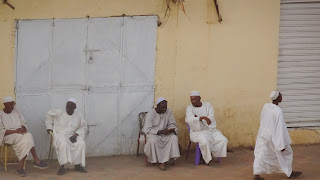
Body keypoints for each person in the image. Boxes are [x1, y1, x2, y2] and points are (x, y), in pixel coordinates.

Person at [253, 91, 302, 180]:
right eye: (280, 95)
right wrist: (281, 144)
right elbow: (279, 128)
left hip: (263, 134)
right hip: (273, 136)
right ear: (278, 98)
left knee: (261, 153)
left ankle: (257, 175)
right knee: (287, 152)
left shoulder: (266, 106)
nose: (282, 96)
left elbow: (262, 119)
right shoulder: (278, 111)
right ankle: (289, 172)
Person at [0, 96, 48, 177]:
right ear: (5, 104)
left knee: (28, 138)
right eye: (11, 104)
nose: (13, 106)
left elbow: (24, 122)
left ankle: (21, 167)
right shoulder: (0, 114)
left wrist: (22, 128)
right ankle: (35, 160)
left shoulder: (16, 111)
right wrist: (16, 131)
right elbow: (1, 131)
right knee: (28, 138)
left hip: (21, 134)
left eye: (13, 104)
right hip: (9, 136)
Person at [45, 98, 87, 175]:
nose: (68, 109)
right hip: (60, 135)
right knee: (63, 143)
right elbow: (48, 115)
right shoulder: (59, 112)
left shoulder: (78, 116)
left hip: (72, 136)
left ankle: (77, 165)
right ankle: (62, 166)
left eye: (70, 107)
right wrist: (49, 127)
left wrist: (76, 134)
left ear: (75, 108)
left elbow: (83, 127)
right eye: (67, 107)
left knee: (81, 143)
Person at [185, 91, 228, 165]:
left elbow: (211, 118)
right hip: (197, 131)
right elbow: (189, 119)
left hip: (210, 129)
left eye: (194, 99)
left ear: (199, 99)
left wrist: (198, 118)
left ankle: (213, 154)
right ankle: (207, 160)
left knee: (223, 140)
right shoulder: (189, 108)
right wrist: (202, 118)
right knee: (205, 141)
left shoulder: (208, 105)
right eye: (191, 100)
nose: (192, 102)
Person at [142, 97, 180, 170]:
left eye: (165, 107)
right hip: (153, 134)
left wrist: (170, 130)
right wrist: (160, 132)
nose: (164, 109)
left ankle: (166, 160)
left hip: (165, 134)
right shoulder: (150, 114)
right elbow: (147, 129)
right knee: (153, 140)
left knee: (173, 138)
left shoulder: (169, 112)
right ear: (157, 106)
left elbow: (172, 124)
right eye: (162, 107)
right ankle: (157, 160)